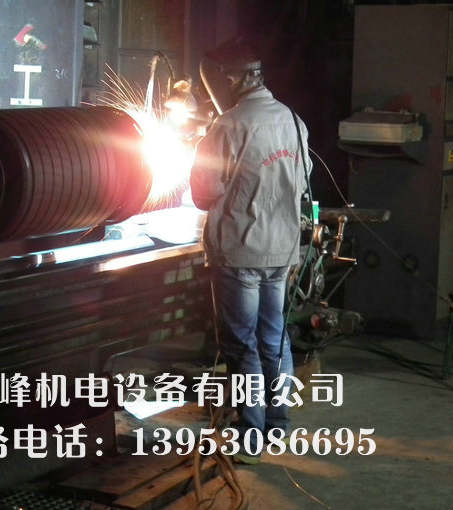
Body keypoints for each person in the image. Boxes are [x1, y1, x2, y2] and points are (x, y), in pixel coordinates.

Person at [189, 38, 312, 464]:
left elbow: (203, 193)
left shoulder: (229, 125)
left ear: (232, 79)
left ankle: (250, 434)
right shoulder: (293, 120)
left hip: (241, 251)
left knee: (242, 344)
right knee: (274, 338)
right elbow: (302, 181)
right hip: (281, 251)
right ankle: (277, 425)